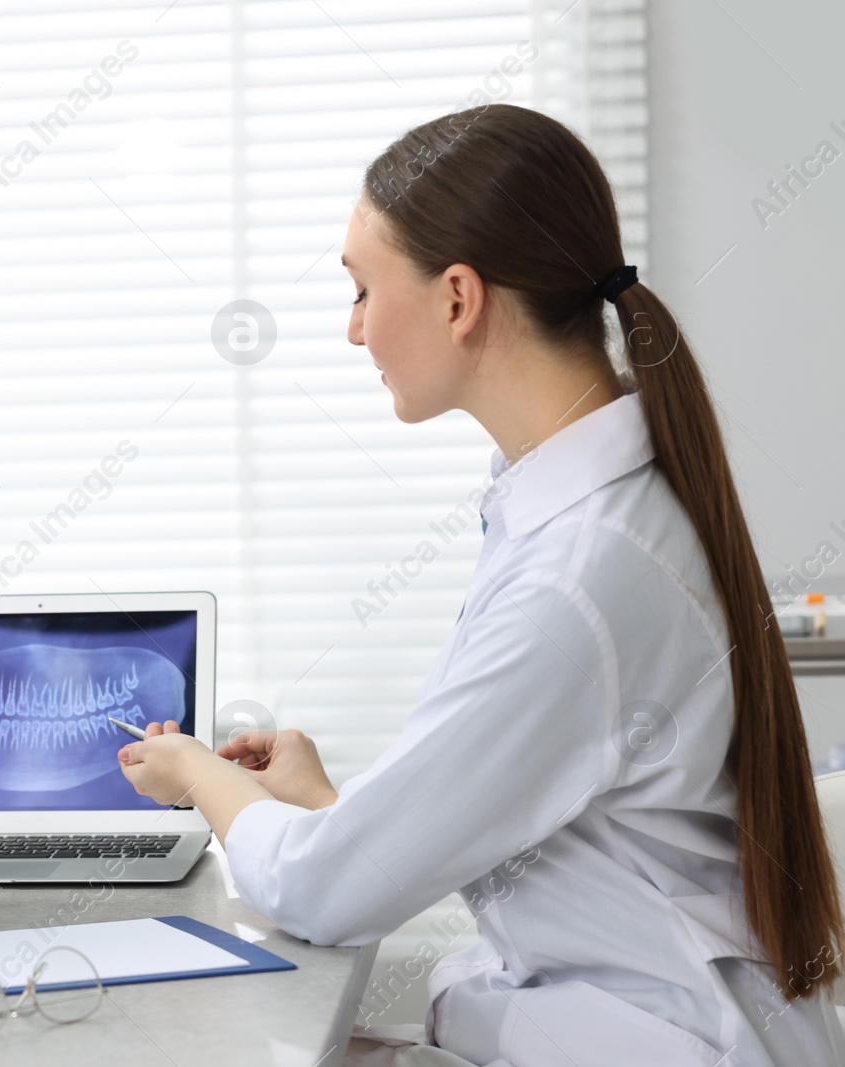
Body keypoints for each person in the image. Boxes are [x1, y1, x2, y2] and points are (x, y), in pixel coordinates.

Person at [119, 104, 845, 1066]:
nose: (352, 330)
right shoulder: (581, 514)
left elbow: (324, 897)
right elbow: (551, 813)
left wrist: (197, 776)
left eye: (362, 290)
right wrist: (329, 808)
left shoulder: (577, 576)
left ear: (458, 298)